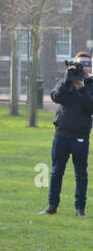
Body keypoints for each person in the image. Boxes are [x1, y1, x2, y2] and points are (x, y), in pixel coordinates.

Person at [41, 52, 93, 218]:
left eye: (87, 64)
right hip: (62, 133)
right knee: (56, 171)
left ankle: (80, 209)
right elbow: (56, 97)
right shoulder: (66, 80)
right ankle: (52, 206)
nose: (84, 67)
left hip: (81, 134)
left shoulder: (91, 84)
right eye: (81, 64)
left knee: (81, 173)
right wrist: (67, 79)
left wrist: (82, 88)